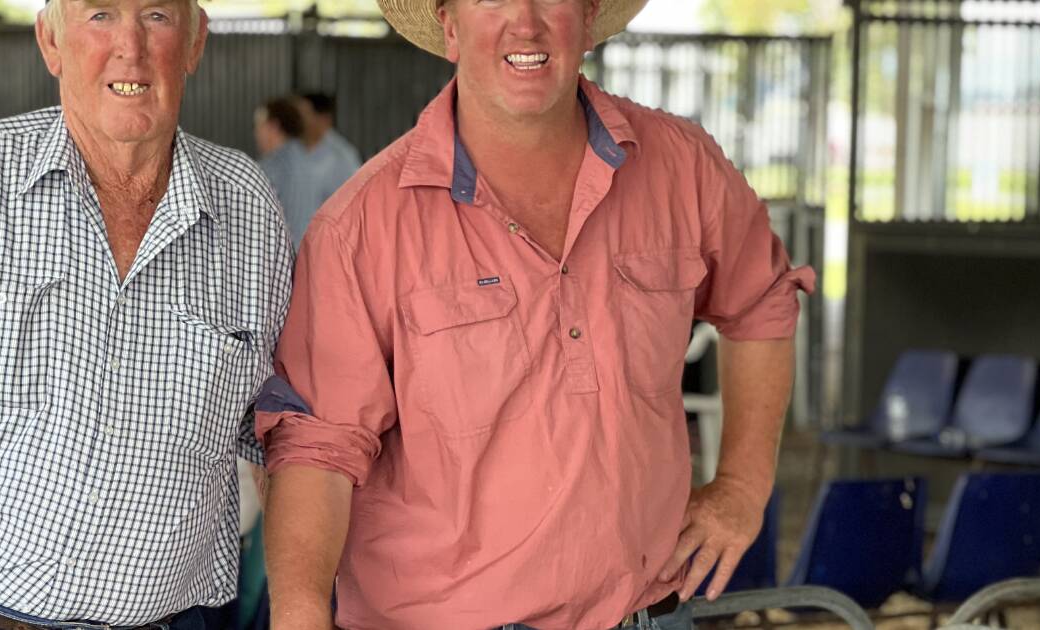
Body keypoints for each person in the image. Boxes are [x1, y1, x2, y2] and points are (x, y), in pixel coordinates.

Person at [256, 0, 815, 628]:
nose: (525, 23)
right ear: (449, 28)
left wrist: (742, 487)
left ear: (589, 17)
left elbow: (763, 300)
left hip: (644, 615)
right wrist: (300, 615)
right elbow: (317, 449)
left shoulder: (680, 166)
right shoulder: (361, 228)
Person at [0, 0, 293, 628]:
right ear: (51, 41)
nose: (129, 45)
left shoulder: (249, 212)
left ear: (194, 42)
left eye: (156, 15)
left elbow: (283, 439)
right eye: (99, 14)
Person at [285, 92, 361, 239]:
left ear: (323, 119)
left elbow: (352, 209)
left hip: (323, 248)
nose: (296, 120)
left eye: (302, 114)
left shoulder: (343, 158)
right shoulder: (288, 152)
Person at [254, 97, 308, 237]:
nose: (256, 133)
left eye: (259, 126)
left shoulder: (268, 169)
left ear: (274, 126)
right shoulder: (311, 161)